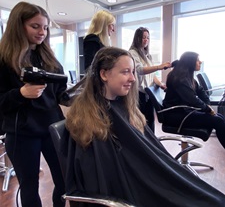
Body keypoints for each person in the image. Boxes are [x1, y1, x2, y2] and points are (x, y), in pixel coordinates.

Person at [65, 46, 225, 207]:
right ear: (104, 74)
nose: (133, 78)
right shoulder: (91, 120)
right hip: (134, 192)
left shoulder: (124, 107)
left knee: (210, 199)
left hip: (148, 180)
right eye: (125, 71)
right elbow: (103, 179)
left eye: (133, 71)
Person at [0, 2, 67, 207]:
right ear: (18, 26)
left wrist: (73, 96)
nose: (42, 32)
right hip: (22, 134)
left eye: (45, 27)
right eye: (35, 26)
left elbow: (59, 94)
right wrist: (20, 94)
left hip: (52, 129)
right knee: (29, 187)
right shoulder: (4, 61)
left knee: (64, 180)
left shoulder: (49, 59)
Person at [163, 51, 225, 149]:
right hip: (176, 116)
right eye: (197, 60)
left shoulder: (187, 76)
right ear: (190, 62)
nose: (200, 62)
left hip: (184, 112)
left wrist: (207, 106)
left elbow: (201, 91)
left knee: (220, 117)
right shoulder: (180, 78)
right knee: (218, 121)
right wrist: (208, 109)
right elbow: (192, 100)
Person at [129, 27, 171, 132]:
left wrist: (160, 84)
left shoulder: (147, 55)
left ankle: (151, 145)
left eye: (148, 37)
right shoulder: (132, 53)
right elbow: (140, 70)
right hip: (139, 93)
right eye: (143, 37)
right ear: (137, 38)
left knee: (150, 121)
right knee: (141, 123)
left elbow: (152, 75)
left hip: (149, 93)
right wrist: (159, 67)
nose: (146, 40)